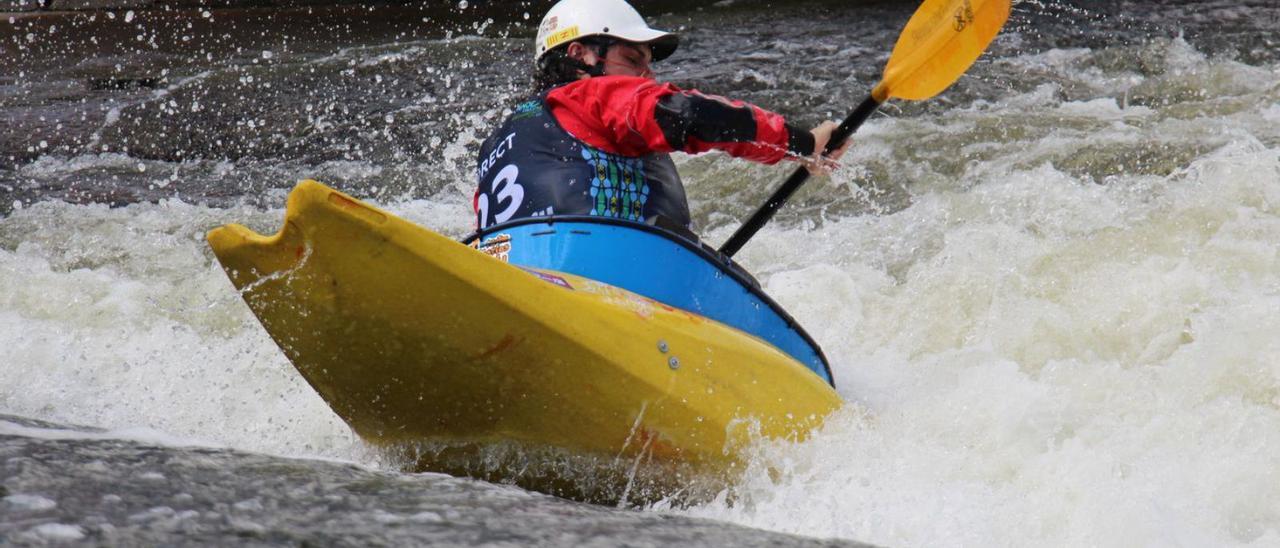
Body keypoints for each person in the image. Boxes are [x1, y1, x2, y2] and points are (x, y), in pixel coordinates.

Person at [474, 0, 849, 233]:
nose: (647, 79)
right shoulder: (592, 94)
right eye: (633, 60)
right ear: (580, 54)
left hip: (523, 276)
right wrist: (803, 144)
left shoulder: (498, 139)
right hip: (603, 273)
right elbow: (689, 114)